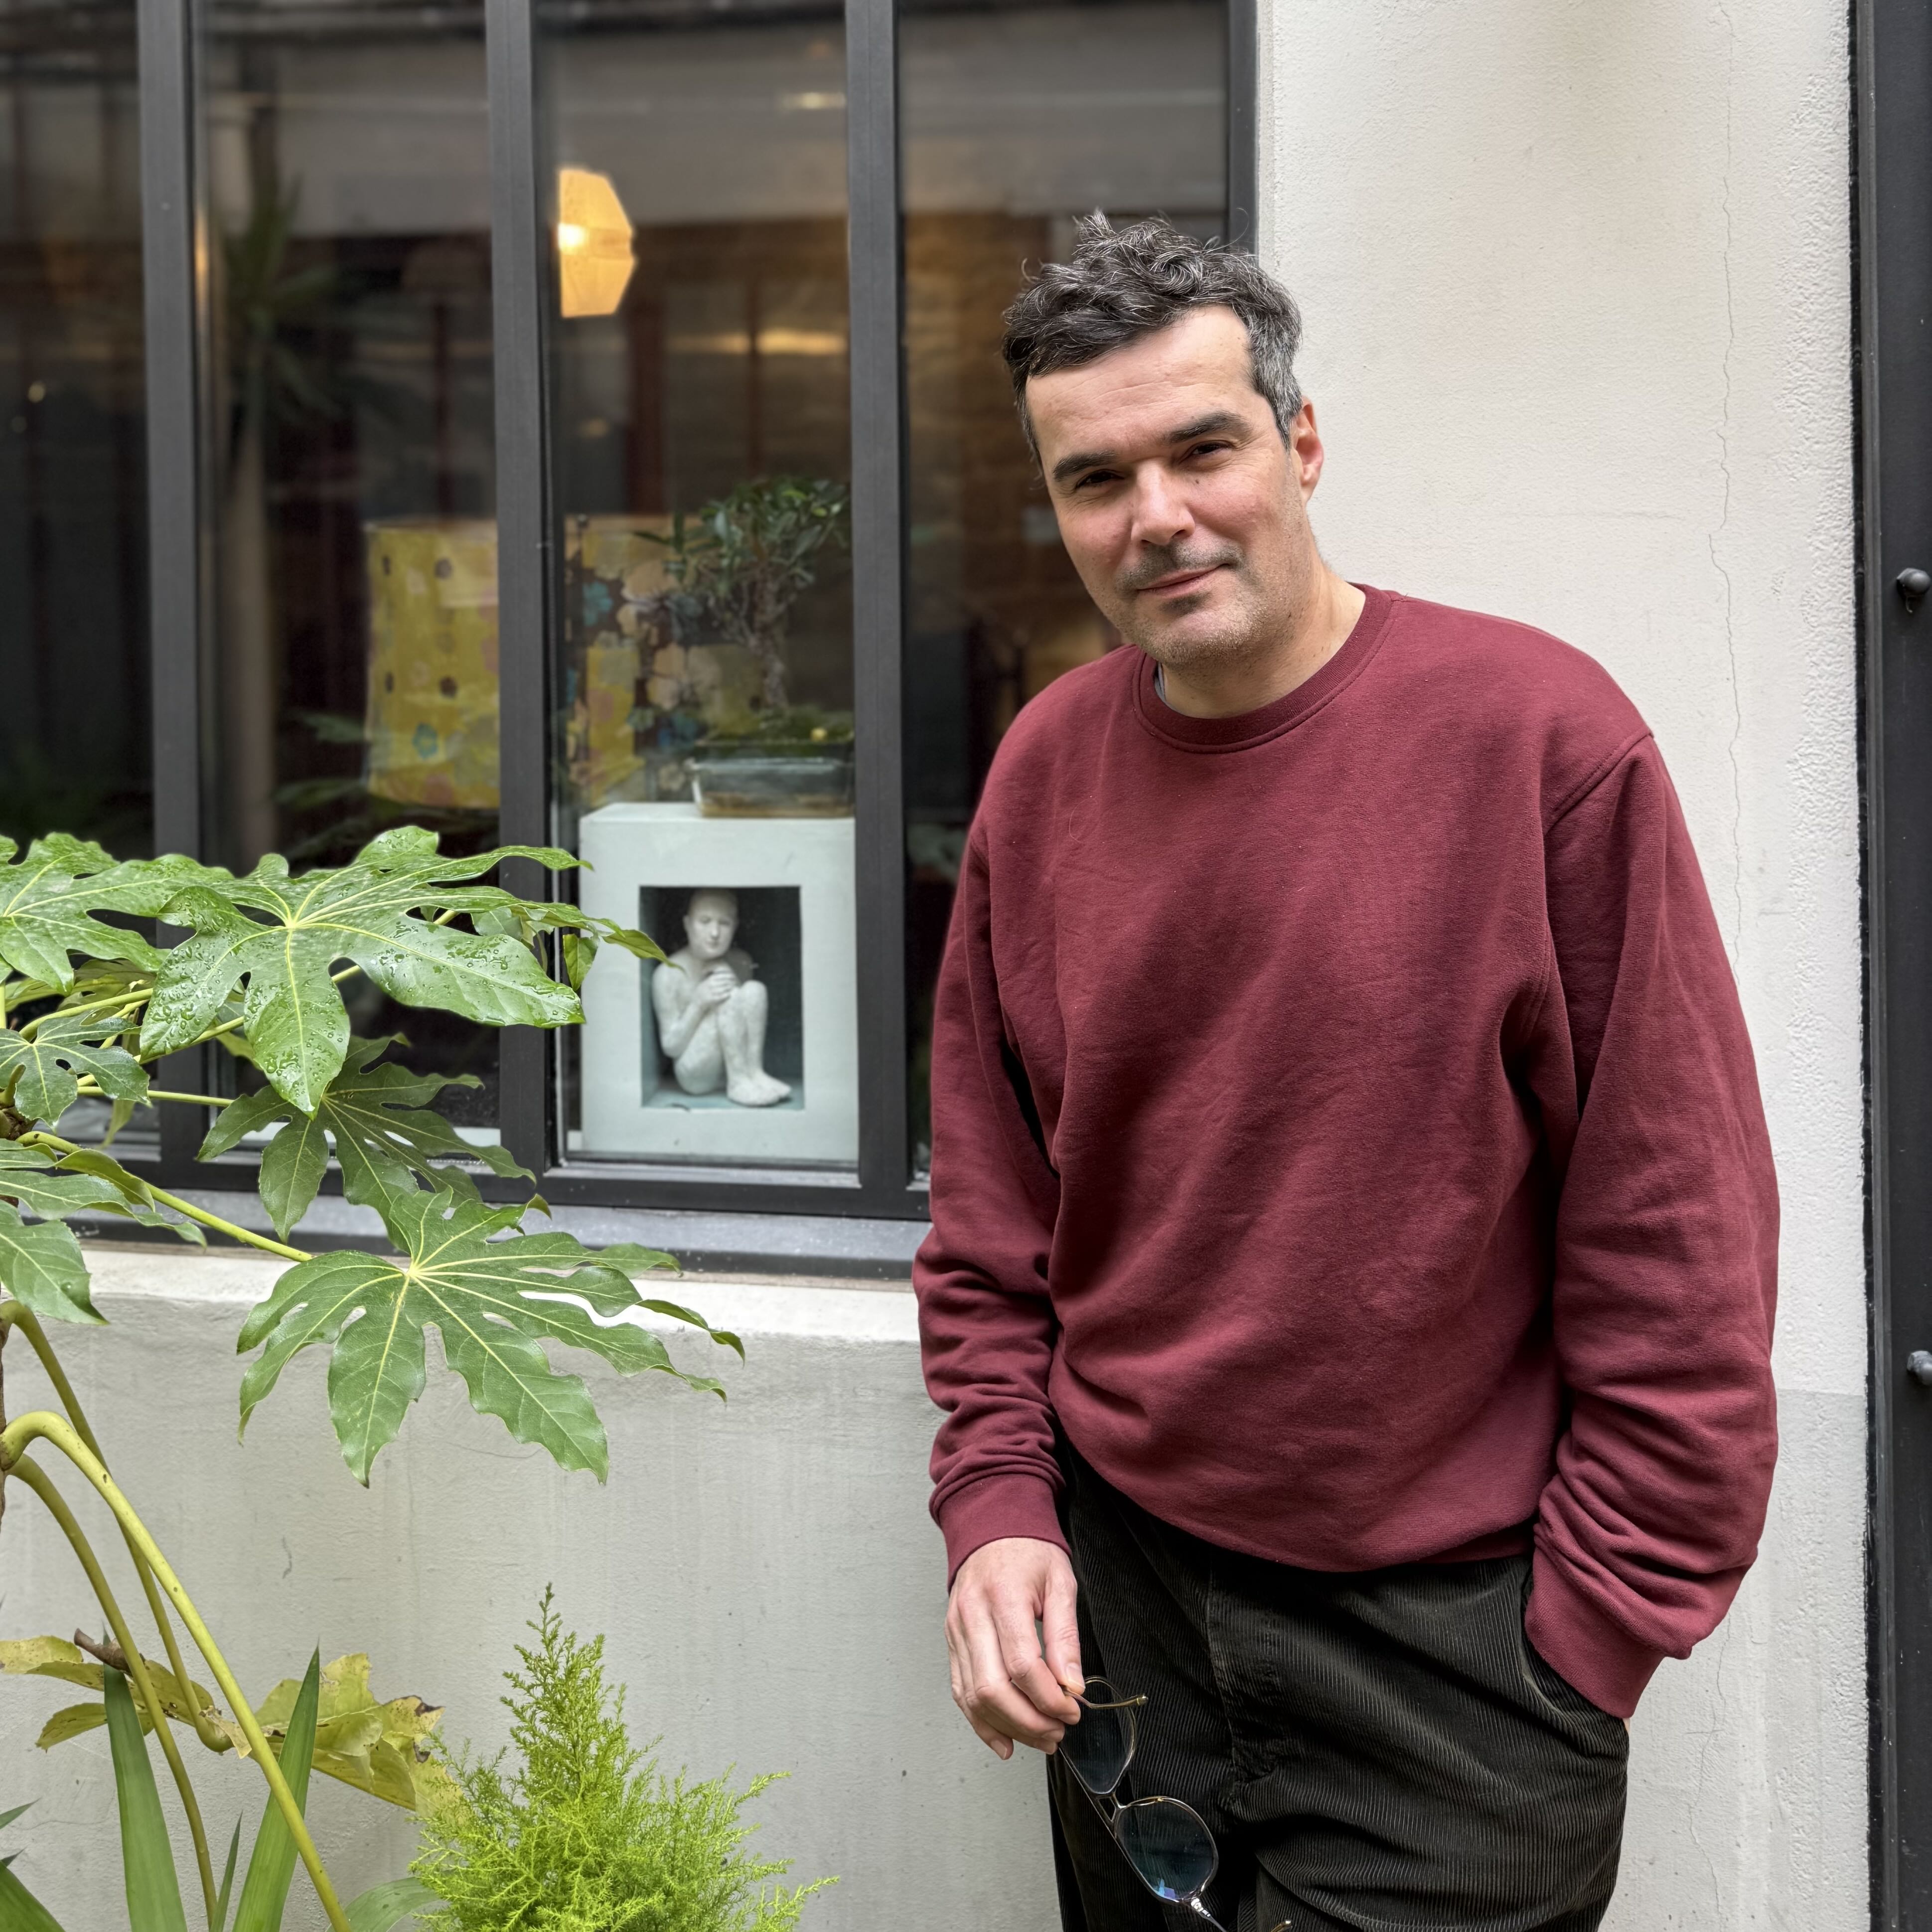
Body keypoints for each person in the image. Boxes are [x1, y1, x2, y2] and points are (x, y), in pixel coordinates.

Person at [913, 215, 1778, 1932]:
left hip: (1449, 1661)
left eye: (1201, 449)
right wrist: (998, 1503)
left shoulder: (1540, 743)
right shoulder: (1041, 774)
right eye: (1094, 479)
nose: (1155, 515)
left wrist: (1587, 1633)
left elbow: (1674, 1233)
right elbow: (992, 1218)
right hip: (1124, 1624)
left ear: (1298, 441)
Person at [651, 888, 790, 1107]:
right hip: (695, 1073)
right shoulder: (668, 974)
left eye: (724, 923)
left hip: (724, 1067)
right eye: (705, 922)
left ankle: (755, 1072)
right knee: (730, 995)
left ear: (735, 927)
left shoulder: (742, 961)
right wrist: (698, 1003)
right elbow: (671, 1046)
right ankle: (738, 1083)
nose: (715, 933)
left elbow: (740, 1023)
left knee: (755, 990)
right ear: (688, 924)